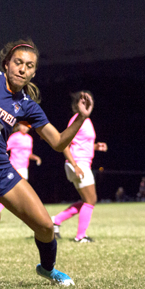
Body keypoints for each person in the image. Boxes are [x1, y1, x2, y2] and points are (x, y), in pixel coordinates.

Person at [0, 39, 94, 289]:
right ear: (6, 64)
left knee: (46, 227)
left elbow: (59, 142)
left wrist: (82, 117)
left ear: (33, 73)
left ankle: (47, 269)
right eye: (18, 63)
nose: (22, 69)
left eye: (29, 66)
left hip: (2, 168)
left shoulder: (27, 105)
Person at [51, 91, 107, 242]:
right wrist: (75, 165)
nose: (87, 103)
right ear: (77, 105)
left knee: (86, 200)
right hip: (78, 163)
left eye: (89, 100)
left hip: (82, 162)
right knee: (91, 200)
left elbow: (81, 143)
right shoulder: (77, 119)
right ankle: (80, 237)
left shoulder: (87, 121)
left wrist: (95, 146)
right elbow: (64, 144)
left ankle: (55, 221)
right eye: (83, 101)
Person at [0, 123, 42, 211]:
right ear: (19, 126)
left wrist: (36, 158)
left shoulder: (29, 138)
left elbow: (28, 154)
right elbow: (4, 148)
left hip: (24, 167)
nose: (25, 128)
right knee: (12, 189)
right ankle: (0, 206)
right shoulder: (14, 137)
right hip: (15, 165)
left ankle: (23, 210)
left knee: (22, 191)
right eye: (23, 125)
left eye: (27, 126)